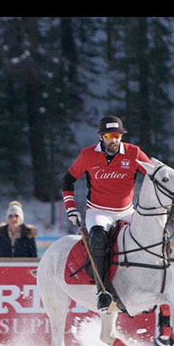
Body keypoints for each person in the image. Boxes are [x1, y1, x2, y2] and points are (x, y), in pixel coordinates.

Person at [61, 115, 152, 310]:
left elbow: (154, 174)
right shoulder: (87, 155)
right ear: (101, 136)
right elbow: (68, 180)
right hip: (98, 211)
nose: (115, 139)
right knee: (98, 238)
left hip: (127, 211)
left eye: (118, 135)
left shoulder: (133, 152)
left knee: (149, 237)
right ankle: (103, 291)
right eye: (111, 135)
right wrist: (70, 209)